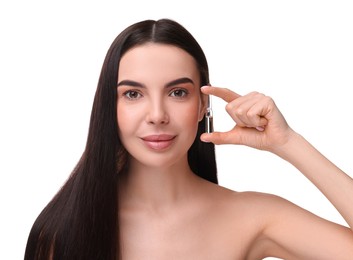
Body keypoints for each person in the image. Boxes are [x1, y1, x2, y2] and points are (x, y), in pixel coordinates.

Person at [24, 18, 353, 260]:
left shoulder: (252, 216)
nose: (157, 114)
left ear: (202, 106)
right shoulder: (62, 231)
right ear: (111, 108)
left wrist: (287, 143)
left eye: (177, 92)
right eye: (133, 94)